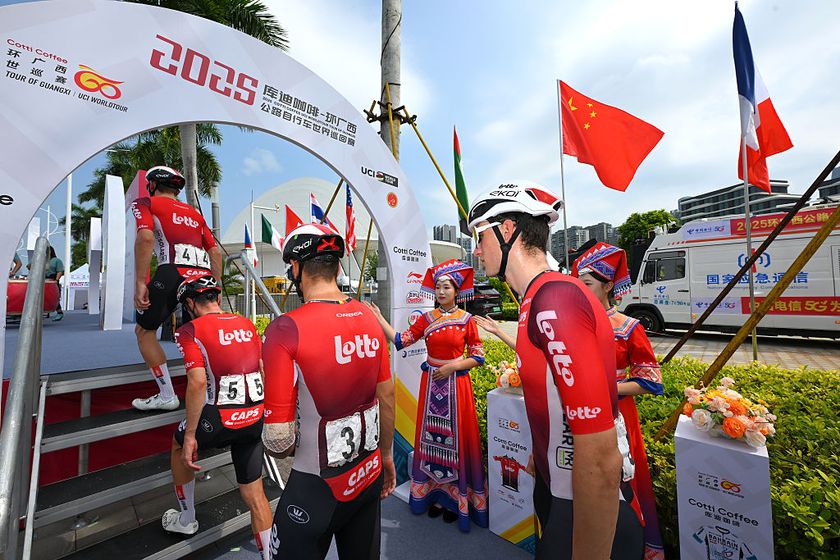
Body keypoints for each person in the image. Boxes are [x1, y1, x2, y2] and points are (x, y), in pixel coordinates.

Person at [468, 181, 643, 560]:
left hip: (583, 506)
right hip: (559, 491)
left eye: (479, 235)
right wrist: (545, 453)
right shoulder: (537, 296)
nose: (477, 250)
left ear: (508, 229)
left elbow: (600, 454)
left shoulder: (554, 298)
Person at [261, 223, 396, 560]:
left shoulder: (285, 329)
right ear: (337, 267)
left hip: (314, 490)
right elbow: (387, 396)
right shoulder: (368, 317)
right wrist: (388, 455)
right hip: (367, 473)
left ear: (295, 268)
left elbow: (278, 440)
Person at [367, 259, 489, 533]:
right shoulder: (427, 319)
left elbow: (478, 356)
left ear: (457, 291)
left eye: (446, 287)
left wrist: (453, 366)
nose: (441, 292)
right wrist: (379, 318)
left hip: (457, 387)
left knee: (456, 442)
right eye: (438, 288)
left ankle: (456, 499)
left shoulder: (467, 321)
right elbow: (401, 340)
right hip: (433, 385)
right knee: (433, 441)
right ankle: (437, 494)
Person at [164, 275, 273, 559]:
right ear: (216, 299)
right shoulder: (247, 323)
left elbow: (198, 382)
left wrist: (190, 436)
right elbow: (262, 368)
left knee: (178, 445)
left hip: (219, 418)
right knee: (255, 495)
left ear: (190, 303)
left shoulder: (190, 330)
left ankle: (186, 519)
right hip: (254, 414)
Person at [572, 242, 665, 560]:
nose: (581, 292)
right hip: (581, 414)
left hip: (619, 415)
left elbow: (650, 381)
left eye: (587, 285)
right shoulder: (575, 327)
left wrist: (609, 389)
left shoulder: (629, 328)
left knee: (623, 480)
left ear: (609, 285)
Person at [131, 166, 221, 411]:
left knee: (144, 331)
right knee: (210, 333)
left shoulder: (145, 203)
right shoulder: (194, 213)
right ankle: (216, 395)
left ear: (152, 185)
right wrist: (215, 283)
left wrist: (140, 283)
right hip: (202, 273)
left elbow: (146, 237)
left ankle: (167, 394)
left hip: (171, 270)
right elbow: (214, 251)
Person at [45, 245, 65, 321]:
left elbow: (60, 271)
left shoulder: (57, 260)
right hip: (43, 280)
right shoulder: (42, 261)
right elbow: (29, 266)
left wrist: (56, 280)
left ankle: (59, 312)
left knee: (54, 297)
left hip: (52, 280)